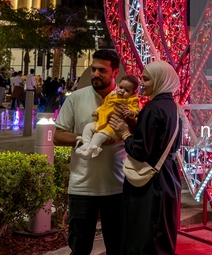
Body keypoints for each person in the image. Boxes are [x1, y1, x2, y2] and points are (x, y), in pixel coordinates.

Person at [53, 50, 126, 255]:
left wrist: (119, 135)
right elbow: (57, 136)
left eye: (102, 70)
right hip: (82, 188)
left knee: (118, 247)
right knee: (79, 248)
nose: (95, 74)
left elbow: (137, 134)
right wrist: (86, 140)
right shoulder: (76, 98)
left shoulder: (125, 99)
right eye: (93, 69)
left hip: (117, 188)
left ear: (115, 72)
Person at [109, 60, 183, 255]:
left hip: (150, 183)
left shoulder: (152, 108)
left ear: (160, 81)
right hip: (169, 176)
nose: (142, 83)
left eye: (147, 79)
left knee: (143, 236)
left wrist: (125, 133)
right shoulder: (173, 107)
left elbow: (141, 151)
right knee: (162, 235)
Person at [76, 75, 140, 159]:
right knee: (88, 127)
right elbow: (104, 106)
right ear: (118, 84)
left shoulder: (131, 100)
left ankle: (88, 153)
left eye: (127, 90)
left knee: (98, 136)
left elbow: (136, 109)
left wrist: (131, 112)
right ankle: (86, 144)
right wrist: (97, 111)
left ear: (133, 92)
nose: (122, 91)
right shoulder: (111, 96)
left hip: (113, 126)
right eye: (121, 87)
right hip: (103, 121)